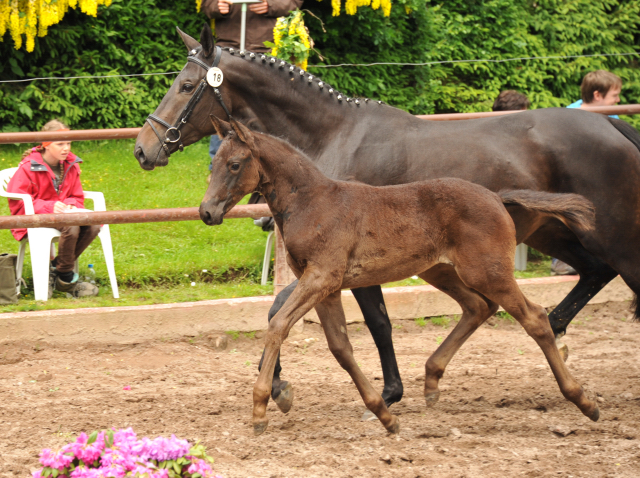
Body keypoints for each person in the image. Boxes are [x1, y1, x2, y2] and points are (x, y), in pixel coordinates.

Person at [7, 119, 100, 298]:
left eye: (69, 142)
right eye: (60, 144)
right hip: (34, 217)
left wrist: (73, 203)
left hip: (64, 216)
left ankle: (55, 270)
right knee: (71, 227)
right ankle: (65, 278)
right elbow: (17, 201)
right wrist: (49, 206)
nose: (66, 148)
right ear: (46, 144)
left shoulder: (71, 164)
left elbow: (77, 195)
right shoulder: (28, 167)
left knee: (94, 225)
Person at [201, 0, 303, 162]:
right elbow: (207, 4)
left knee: (266, 107)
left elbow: (293, 2)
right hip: (228, 48)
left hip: (265, 47)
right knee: (222, 103)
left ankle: (268, 160)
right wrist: (216, 7)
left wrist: (273, 5)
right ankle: (218, 161)